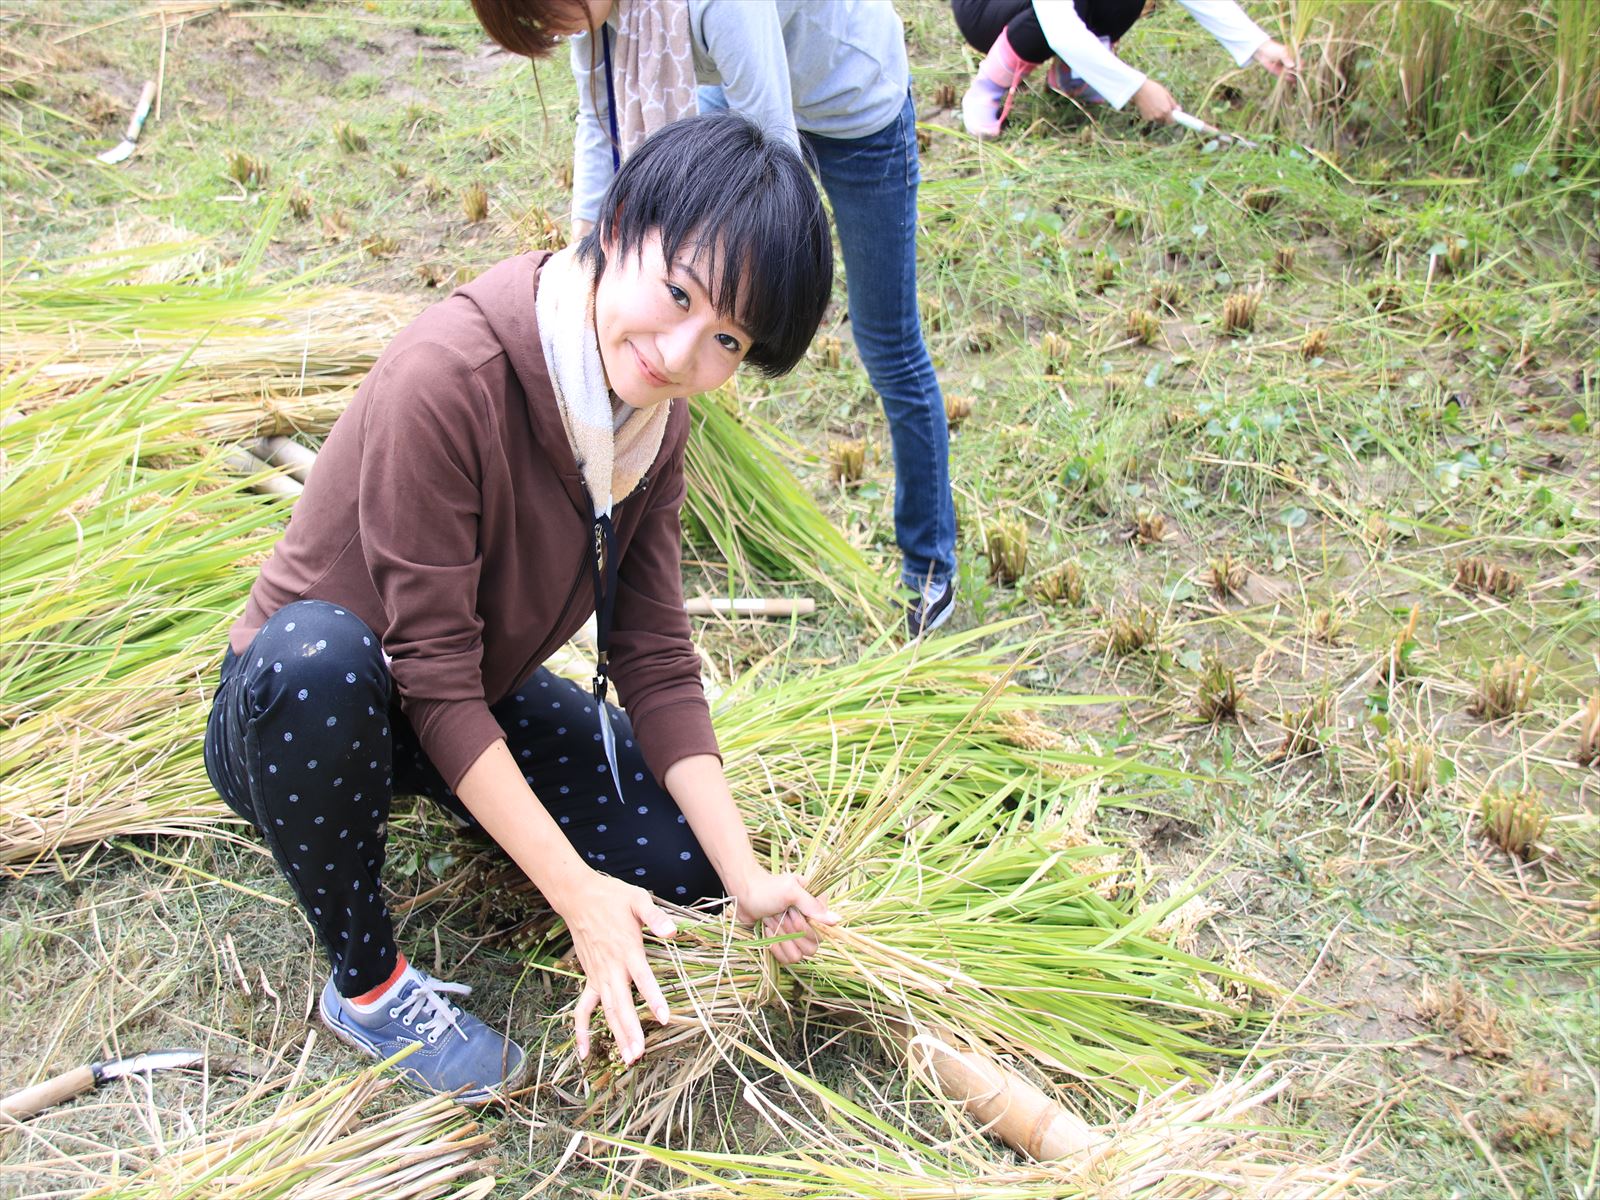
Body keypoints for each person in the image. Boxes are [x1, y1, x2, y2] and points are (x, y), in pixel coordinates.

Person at [203, 113, 840, 1103]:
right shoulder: (449, 377)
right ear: (617, 226)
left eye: (727, 338)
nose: (679, 352)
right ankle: (368, 987)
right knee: (320, 656)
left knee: (687, 867)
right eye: (677, 293)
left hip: (464, 697)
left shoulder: (649, 425)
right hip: (301, 713)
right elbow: (428, 674)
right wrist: (577, 897)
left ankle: (493, 814)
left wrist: (748, 874)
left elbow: (654, 652)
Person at [472, 0, 960, 638]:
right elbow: (600, 123)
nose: (555, 31)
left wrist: (732, 312)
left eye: (549, 13)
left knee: (887, 342)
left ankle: (930, 564)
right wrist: (586, 268)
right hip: (738, 89)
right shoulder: (599, 15)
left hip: (852, 102)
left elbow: (774, 146)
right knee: (674, 277)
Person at [952, 0, 1297, 138]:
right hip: (987, 10)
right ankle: (987, 88)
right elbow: (1060, 29)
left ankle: (1073, 75)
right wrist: (1137, 88)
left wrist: (1258, 45)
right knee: (1059, 14)